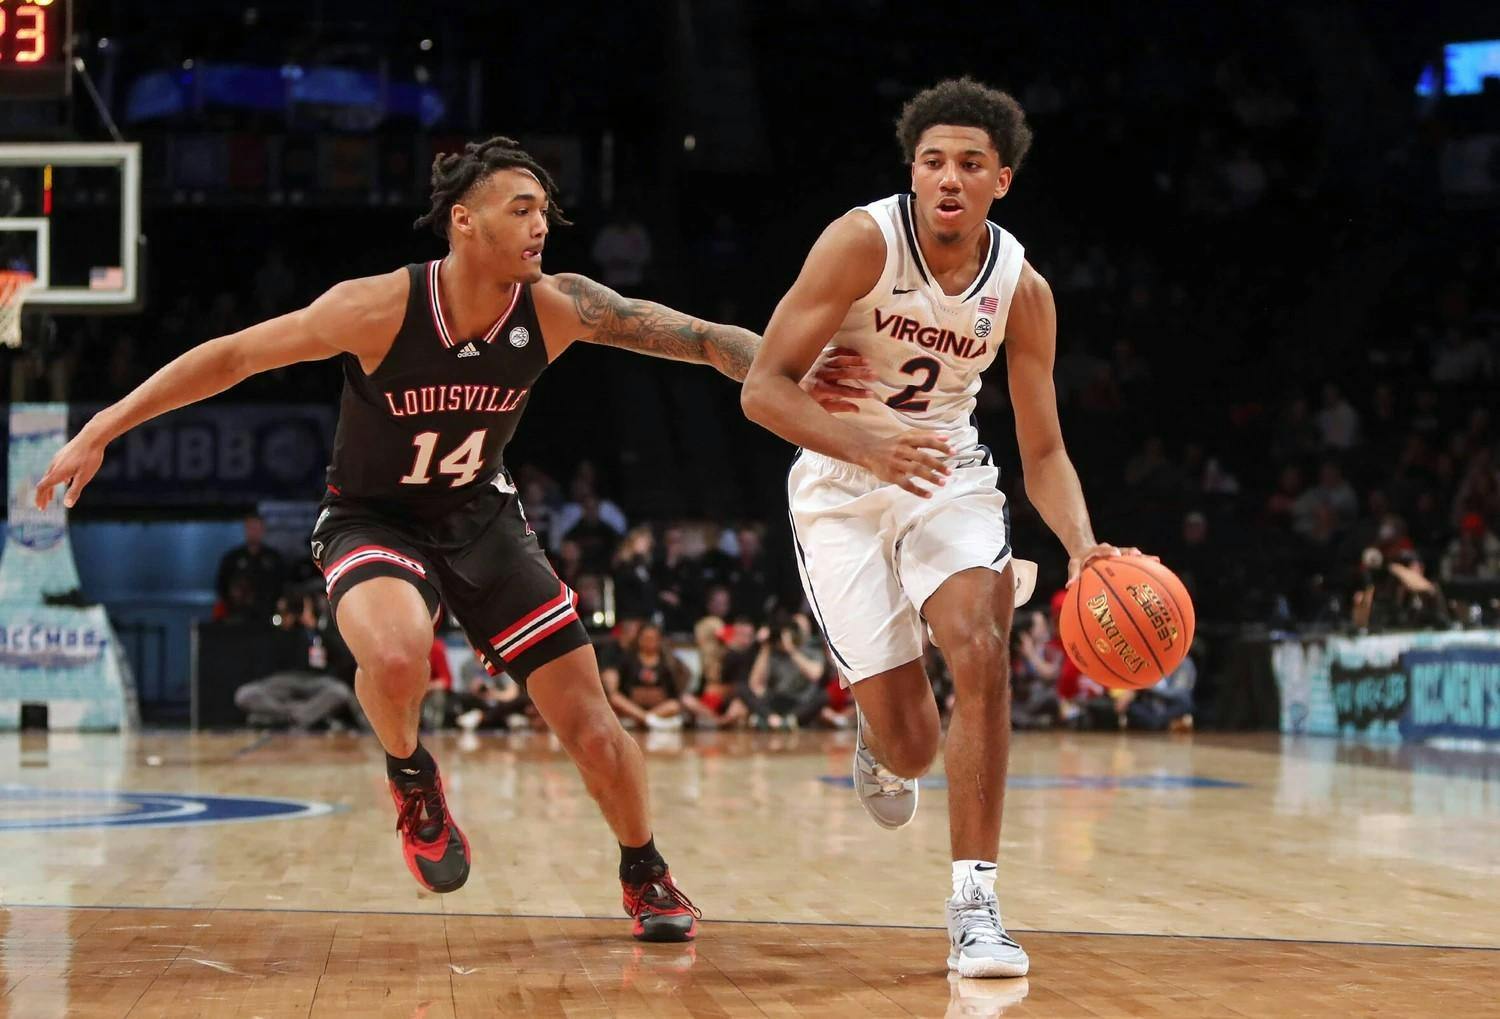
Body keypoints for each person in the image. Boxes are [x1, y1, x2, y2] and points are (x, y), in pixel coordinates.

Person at [32, 136, 843, 944]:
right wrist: (104, 425)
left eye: (545, 213)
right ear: (463, 221)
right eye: (520, 210)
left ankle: (645, 869)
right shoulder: (381, 305)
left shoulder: (556, 306)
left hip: (478, 514)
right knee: (393, 654)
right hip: (372, 516)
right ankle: (412, 774)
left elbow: (695, 336)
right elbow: (235, 356)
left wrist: (796, 371)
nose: (540, 228)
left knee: (591, 725)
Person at [741, 78, 1147, 977]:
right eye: (933, 161)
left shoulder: (1023, 289)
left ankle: (975, 906)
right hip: (843, 480)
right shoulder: (860, 242)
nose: (949, 177)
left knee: (980, 641)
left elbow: (1043, 452)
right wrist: (865, 444)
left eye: (969, 163)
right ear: (912, 173)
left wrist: (1085, 548)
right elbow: (761, 389)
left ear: (1001, 179)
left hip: (948, 474)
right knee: (914, 745)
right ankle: (882, 739)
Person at [215, 514, 286, 624]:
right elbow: (221, 586)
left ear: (263, 530)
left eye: (256, 528)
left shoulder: (274, 558)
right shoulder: (232, 558)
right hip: (237, 616)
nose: (253, 532)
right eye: (250, 528)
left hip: (268, 616)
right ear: (245, 530)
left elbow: (283, 585)